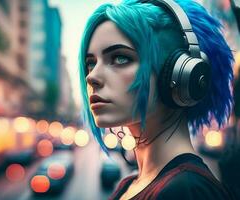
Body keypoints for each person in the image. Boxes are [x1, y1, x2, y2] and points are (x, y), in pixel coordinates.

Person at [78, 0, 235, 199]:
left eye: (120, 58)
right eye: (91, 63)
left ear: (181, 75)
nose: (91, 77)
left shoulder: (187, 191)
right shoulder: (130, 184)